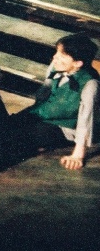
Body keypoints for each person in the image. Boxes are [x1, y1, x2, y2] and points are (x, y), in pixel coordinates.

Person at [10, 33, 99, 170]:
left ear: (78, 63)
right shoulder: (57, 66)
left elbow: (85, 120)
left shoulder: (90, 83)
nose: (54, 57)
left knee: (20, 138)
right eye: (57, 52)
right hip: (43, 114)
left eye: (62, 56)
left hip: (65, 127)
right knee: (7, 125)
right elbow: (45, 93)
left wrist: (77, 155)